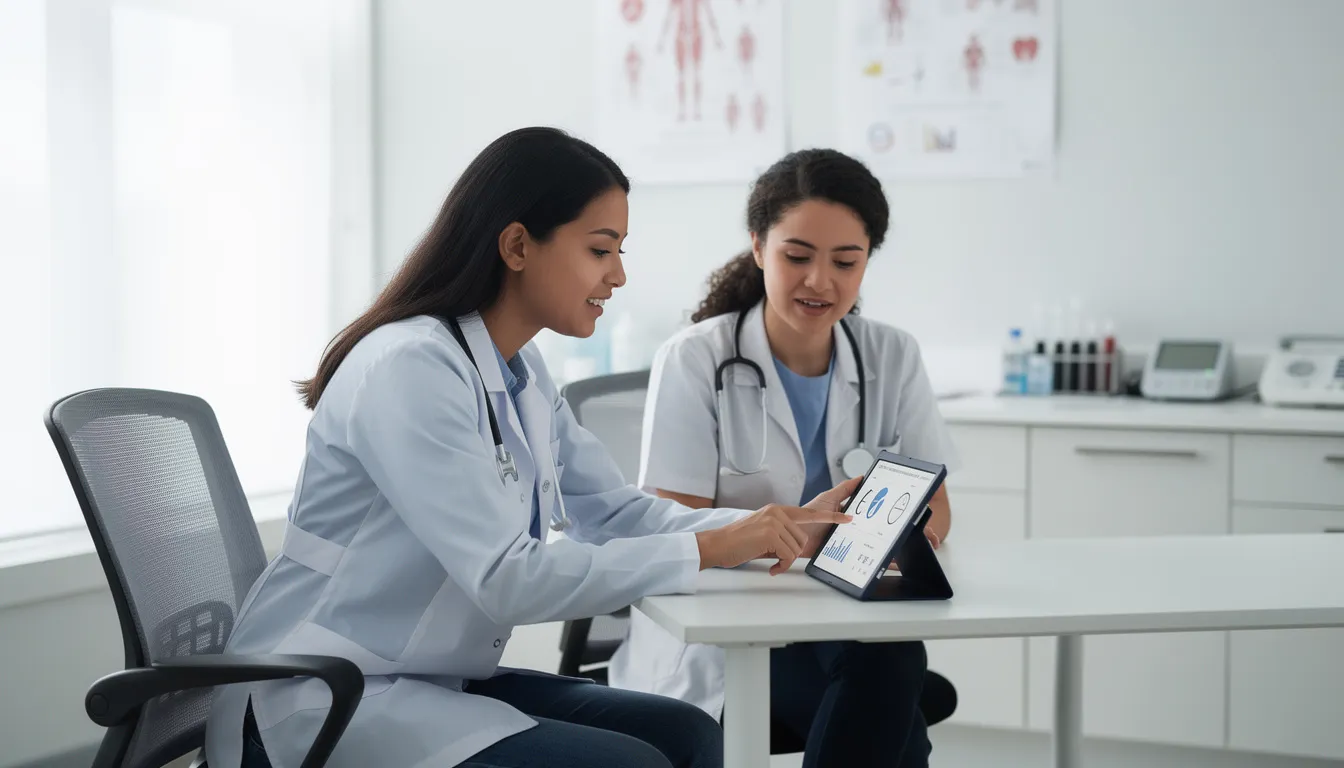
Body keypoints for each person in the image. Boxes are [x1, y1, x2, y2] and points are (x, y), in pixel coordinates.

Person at [203, 128, 860, 768]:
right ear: (518, 245)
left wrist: (768, 529)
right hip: (327, 695)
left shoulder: (521, 374)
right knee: (634, 762)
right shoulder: (411, 368)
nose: (619, 275)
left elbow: (621, 513)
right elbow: (505, 579)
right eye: (601, 250)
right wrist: (708, 549)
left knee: (686, 734)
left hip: (428, 678)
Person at [608, 148, 961, 768]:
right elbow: (670, 522)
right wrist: (799, 529)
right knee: (894, 699)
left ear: (866, 262)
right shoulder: (696, 359)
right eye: (796, 256)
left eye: (845, 262)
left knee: (888, 668)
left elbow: (935, 504)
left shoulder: (892, 355)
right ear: (757, 247)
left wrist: (912, 526)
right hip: (732, 632)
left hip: (845, 619)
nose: (819, 281)